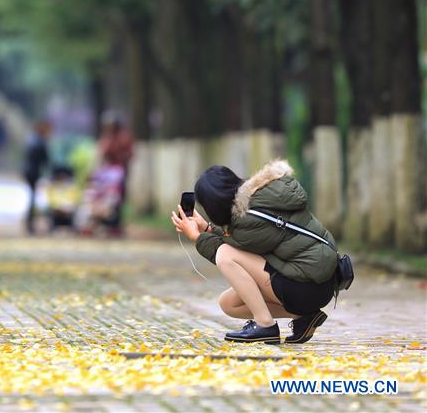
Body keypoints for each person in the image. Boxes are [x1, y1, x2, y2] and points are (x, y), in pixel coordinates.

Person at [171, 160, 339, 344]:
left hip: (308, 287)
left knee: (225, 255)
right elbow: (240, 242)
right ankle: (305, 316)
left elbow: (229, 252)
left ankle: (265, 325)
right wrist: (207, 228)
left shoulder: (250, 217)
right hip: (316, 282)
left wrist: (197, 237)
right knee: (229, 304)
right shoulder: (258, 198)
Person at [96, 112, 134, 236]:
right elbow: (103, 152)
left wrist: (120, 162)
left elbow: (129, 153)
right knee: (105, 196)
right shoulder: (107, 136)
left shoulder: (123, 136)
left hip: (119, 171)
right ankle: (105, 222)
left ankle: (116, 223)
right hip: (108, 173)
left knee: (118, 198)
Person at [22, 120, 51, 235]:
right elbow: (46, 160)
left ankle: (30, 224)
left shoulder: (32, 140)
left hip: (29, 172)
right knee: (33, 199)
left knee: (32, 199)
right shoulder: (40, 142)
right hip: (33, 174)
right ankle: (30, 224)